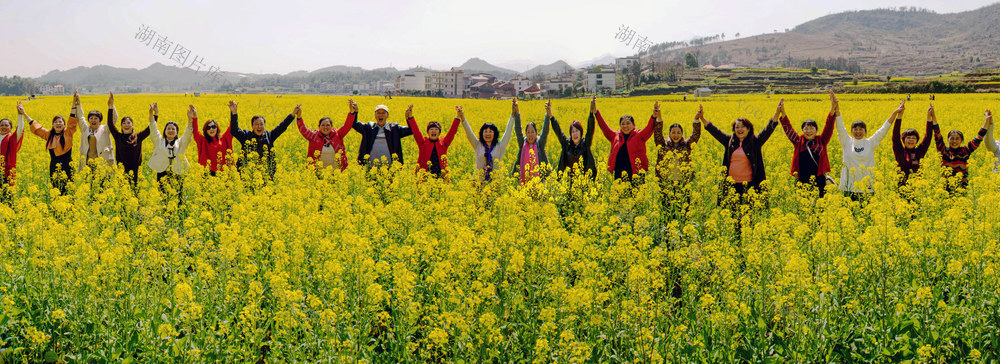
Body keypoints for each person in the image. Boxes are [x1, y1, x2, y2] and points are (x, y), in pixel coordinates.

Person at [703, 101, 780, 241]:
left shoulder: (755, 142)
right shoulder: (729, 141)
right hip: (732, 185)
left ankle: (748, 238)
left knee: (748, 215)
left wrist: (777, 114)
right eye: (737, 127)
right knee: (734, 215)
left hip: (749, 185)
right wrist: (702, 119)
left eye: (743, 126)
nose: (740, 129)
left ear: (749, 129)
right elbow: (715, 131)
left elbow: (768, 130)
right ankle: (737, 239)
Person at [777, 92, 837, 198]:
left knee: (820, 206)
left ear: (816, 130)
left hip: (819, 180)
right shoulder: (798, 141)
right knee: (804, 205)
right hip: (802, 180)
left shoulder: (822, 140)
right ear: (802, 130)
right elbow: (788, 128)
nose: (808, 131)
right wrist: (782, 112)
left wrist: (833, 107)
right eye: (806, 128)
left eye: (811, 128)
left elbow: (829, 126)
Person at [837, 98, 895, 202]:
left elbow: (883, 130)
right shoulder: (846, 141)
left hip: (867, 187)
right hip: (849, 187)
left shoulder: (870, 143)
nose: (858, 132)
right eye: (855, 129)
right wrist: (836, 109)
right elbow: (840, 127)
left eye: (861, 129)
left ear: (865, 131)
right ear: (851, 131)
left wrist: (895, 113)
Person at [26, 94, 79, 194]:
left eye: (60, 122)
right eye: (56, 122)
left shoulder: (68, 133)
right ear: (53, 125)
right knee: (56, 189)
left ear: (64, 125)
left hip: (68, 165)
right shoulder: (48, 135)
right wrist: (24, 113)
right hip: (54, 165)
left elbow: (72, 119)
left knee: (69, 189)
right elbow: (36, 127)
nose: (58, 124)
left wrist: (74, 102)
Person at [596, 100, 657, 184]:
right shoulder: (615, 136)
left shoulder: (640, 136)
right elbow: (604, 127)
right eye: (623, 124)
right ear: (620, 125)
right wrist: (596, 112)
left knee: (636, 196)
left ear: (633, 124)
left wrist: (654, 116)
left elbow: (649, 128)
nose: (625, 126)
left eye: (628, 123)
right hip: (619, 174)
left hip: (636, 174)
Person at [231, 103, 295, 181]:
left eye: (261, 124)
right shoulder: (246, 136)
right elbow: (234, 130)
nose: (259, 126)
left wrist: (292, 114)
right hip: (247, 176)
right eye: (256, 124)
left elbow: (282, 126)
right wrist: (234, 113)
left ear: (264, 126)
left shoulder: (269, 136)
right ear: (252, 126)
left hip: (266, 176)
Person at [932, 108, 990, 193]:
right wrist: (933, 115)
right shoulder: (944, 151)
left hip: (962, 190)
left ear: (961, 140)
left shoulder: (965, 151)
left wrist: (987, 120)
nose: (954, 141)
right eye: (952, 139)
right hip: (945, 191)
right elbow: (937, 134)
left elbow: (979, 137)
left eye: (957, 139)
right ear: (948, 139)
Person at [460, 99, 518, 181]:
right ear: (482, 133)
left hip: (496, 184)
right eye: (485, 131)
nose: (488, 134)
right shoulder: (477, 145)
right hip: (478, 183)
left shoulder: (500, 147)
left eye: (491, 132)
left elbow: (508, 132)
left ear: (495, 134)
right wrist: (462, 118)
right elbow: (469, 133)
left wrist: (513, 115)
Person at [147, 103, 194, 197]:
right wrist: (152, 114)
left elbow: (188, 134)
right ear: (165, 131)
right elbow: (153, 129)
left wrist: (190, 120)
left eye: (173, 129)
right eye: (168, 128)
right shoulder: (159, 141)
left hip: (178, 171)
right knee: (163, 197)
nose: (171, 131)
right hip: (162, 171)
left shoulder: (181, 143)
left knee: (178, 197)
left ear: (177, 132)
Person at [405, 104, 461, 180]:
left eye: (436, 129)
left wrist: (458, 117)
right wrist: (410, 117)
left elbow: (452, 132)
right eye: (431, 129)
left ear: (439, 132)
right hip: (424, 178)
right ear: (428, 133)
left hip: (441, 177)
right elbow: (416, 131)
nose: (433, 131)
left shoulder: (444, 143)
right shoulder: (423, 143)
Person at [106, 92, 151, 187]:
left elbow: (150, 129)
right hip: (121, 171)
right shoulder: (118, 136)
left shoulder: (138, 136)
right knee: (123, 195)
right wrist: (110, 107)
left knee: (135, 193)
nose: (126, 125)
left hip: (136, 171)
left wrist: (154, 115)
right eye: (124, 123)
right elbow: (110, 124)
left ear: (132, 125)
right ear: (121, 126)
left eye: (128, 123)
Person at [297, 100, 355, 172]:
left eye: (328, 125)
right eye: (323, 125)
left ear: (331, 126)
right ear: (319, 126)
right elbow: (303, 130)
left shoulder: (338, 134)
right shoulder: (314, 136)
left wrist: (351, 113)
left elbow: (347, 125)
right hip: (318, 173)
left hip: (337, 173)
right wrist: (299, 117)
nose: (325, 127)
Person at [550, 96, 597, 181]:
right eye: (573, 131)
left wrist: (591, 113)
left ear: (581, 132)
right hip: (570, 183)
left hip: (584, 183)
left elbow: (590, 129)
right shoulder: (567, 144)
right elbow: (558, 131)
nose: (575, 134)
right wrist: (550, 116)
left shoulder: (585, 144)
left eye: (577, 131)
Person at [891, 104, 934, 186]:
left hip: (917, 187)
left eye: (914, 138)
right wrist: (899, 116)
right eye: (908, 137)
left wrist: (929, 118)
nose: (911, 140)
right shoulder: (899, 151)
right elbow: (895, 135)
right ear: (903, 140)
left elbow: (928, 136)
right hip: (901, 188)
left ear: (917, 140)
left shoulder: (920, 151)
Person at [511, 100, 551, 184]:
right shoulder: (523, 143)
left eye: (532, 132)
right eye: (528, 132)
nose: (530, 135)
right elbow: (518, 130)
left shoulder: (540, 143)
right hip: (524, 183)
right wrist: (517, 113)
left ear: (536, 133)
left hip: (539, 182)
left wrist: (547, 115)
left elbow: (545, 131)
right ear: (525, 134)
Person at [192, 101, 236, 177]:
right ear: (205, 130)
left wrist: (233, 112)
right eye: (208, 128)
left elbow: (232, 127)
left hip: (224, 173)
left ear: (217, 128)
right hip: (207, 173)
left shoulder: (224, 138)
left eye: (214, 127)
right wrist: (195, 116)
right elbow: (195, 131)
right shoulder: (202, 141)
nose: (211, 129)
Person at [76, 90, 115, 170]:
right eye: (91, 118)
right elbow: (80, 116)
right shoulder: (85, 129)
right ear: (89, 120)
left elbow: (114, 119)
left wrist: (111, 106)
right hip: (87, 165)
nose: (93, 120)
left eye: (96, 118)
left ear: (100, 120)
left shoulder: (105, 129)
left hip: (102, 164)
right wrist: (78, 103)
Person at [1, 102, 27, 201]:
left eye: (6, 125)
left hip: (6, 171)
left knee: (7, 196)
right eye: (2, 125)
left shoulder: (11, 139)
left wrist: (20, 115)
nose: (4, 127)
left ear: (11, 128)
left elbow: (20, 130)